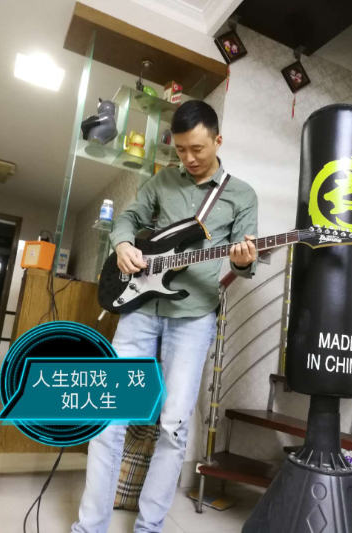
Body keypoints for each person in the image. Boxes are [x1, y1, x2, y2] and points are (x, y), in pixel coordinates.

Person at [71, 100, 258, 533]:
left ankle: (149, 527)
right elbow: (130, 217)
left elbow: (244, 262)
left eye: (198, 149)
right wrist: (122, 244)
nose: (189, 158)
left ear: (217, 140)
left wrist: (244, 259)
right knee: (109, 416)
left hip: (193, 315)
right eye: (181, 150)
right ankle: (90, 527)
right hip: (140, 308)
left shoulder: (241, 194)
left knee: (173, 426)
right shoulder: (163, 180)